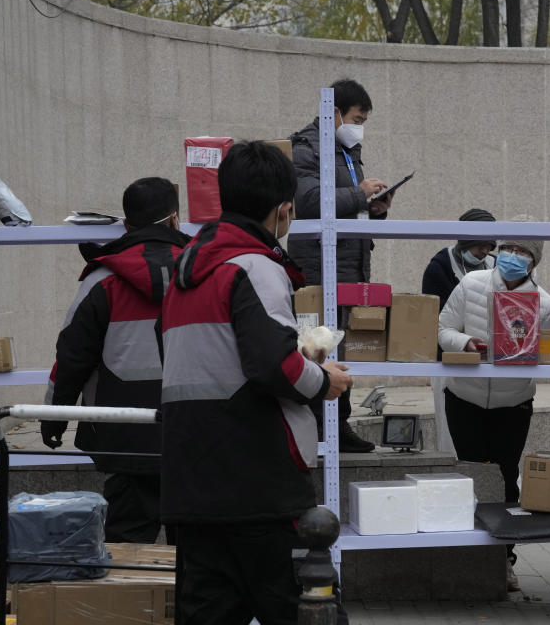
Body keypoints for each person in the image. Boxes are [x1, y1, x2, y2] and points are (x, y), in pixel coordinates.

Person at [159, 141, 352, 623]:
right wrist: (323, 378)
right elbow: (274, 367)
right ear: (284, 210)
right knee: (305, 610)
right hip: (259, 486)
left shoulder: (185, 274)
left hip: (192, 484)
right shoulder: (256, 267)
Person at [40, 177, 190, 544]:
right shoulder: (206, 271)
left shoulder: (103, 279)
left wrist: (54, 417)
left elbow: (71, 356)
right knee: (197, 551)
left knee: (126, 549)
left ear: (126, 225)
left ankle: (130, 601)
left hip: (124, 437)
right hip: (196, 432)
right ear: (174, 220)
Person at [438, 227, 550, 592]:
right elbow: (443, 328)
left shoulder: (544, 301)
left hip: (513, 402)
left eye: (523, 251)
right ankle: (469, 558)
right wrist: (466, 342)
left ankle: (504, 560)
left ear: (534, 261)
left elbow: (547, 352)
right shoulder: (471, 283)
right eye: (509, 247)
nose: (514, 255)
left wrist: (525, 351)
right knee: (472, 474)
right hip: (464, 397)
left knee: (506, 477)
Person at [288, 78, 394, 453]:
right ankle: (320, 428)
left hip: (347, 263)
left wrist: (374, 207)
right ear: (333, 113)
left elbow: (345, 205)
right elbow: (310, 201)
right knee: (316, 347)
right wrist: (360, 193)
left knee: (336, 348)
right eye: (356, 118)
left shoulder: (346, 149)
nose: (359, 126)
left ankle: (337, 424)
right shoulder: (307, 147)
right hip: (318, 265)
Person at [422, 207, 497, 452]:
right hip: (450, 359)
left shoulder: (495, 265)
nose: (484, 252)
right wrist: (463, 339)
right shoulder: (440, 267)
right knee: (451, 434)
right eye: (479, 246)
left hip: (487, 359)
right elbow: (436, 321)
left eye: (489, 246)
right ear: (465, 241)